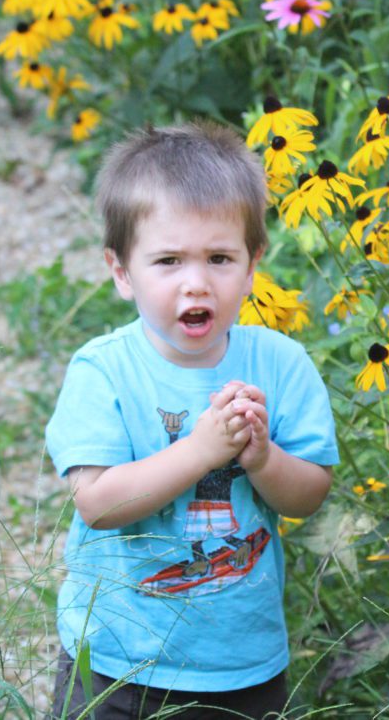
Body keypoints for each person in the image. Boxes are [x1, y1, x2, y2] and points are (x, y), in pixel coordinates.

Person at [45, 122, 339, 719]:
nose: (196, 281)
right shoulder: (103, 371)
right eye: (168, 260)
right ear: (122, 271)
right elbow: (97, 502)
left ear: (253, 264)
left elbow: (309, 494)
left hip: (240, 661)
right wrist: (203, 450)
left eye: (220, 257)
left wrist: (261, 458)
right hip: (115, 659)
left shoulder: (280, 364)